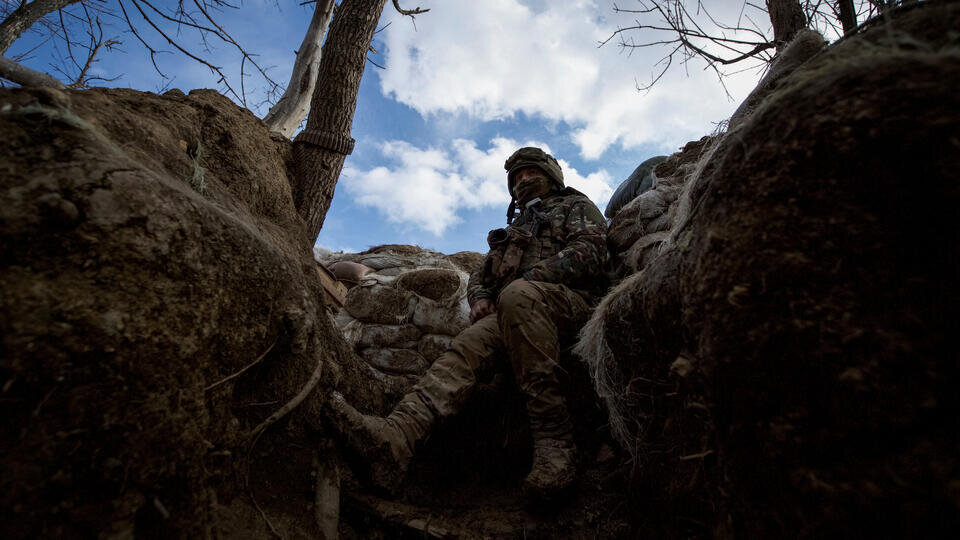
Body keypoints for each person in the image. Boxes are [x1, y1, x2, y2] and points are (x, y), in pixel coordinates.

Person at [325, 147, 608, 500]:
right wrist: (480, 298)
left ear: (550, 175)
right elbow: (480, 274)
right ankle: (395, 438)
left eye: (530, 174)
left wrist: (532, 278)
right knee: (465, 347)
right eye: (517, 178)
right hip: (515, 310)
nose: (523, 181)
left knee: (518, 296)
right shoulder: (515, 228)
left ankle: (556, 445)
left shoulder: (574, 207)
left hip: (570, 305)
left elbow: (592, 249)